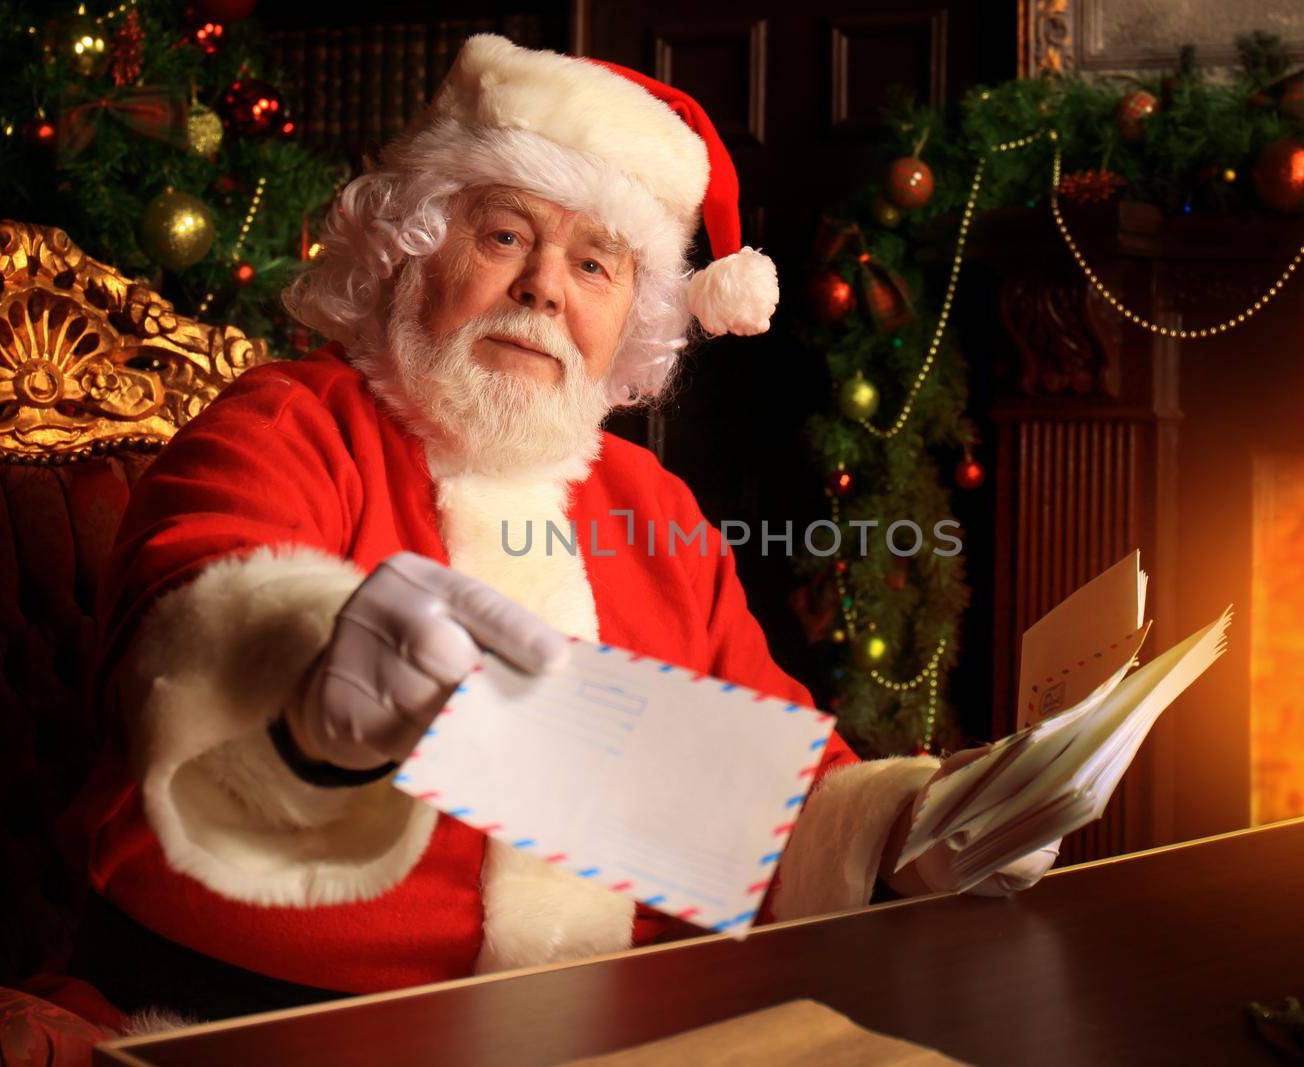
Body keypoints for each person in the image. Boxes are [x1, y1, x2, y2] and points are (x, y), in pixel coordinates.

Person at [67, 34, 1058, 1021]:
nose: (544, 286)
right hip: (272, 1018)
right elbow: (190, 610)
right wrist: (312, 660)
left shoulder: (649, 502)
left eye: (594, 263)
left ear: (631, 316)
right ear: (409, 251)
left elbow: (768, 785)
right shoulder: (287, 423)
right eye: (504, 236)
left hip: (607, 1022)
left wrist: (916, 822)